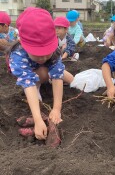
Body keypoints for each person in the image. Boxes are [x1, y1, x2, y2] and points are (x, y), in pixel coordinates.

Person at [8, 7, 73, 140]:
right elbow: (28, 83)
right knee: (43, 73)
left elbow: (57, 77)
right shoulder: (18, 55)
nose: (43, 57)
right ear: (23, 43)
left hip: (46, 68)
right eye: (37, 54)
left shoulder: (54, 50)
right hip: (31, 72)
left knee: (70, 78)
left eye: (46, 53)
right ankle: (41, 84)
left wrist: (56, 109)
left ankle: (47, 77)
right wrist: (37, 120)